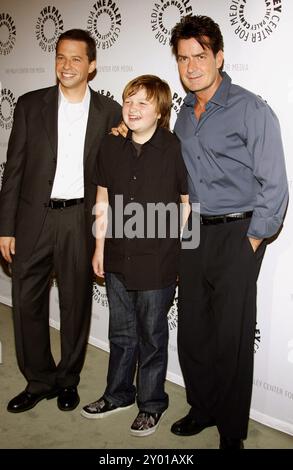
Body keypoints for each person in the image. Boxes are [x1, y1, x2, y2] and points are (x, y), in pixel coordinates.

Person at [169, 15, 289, 449]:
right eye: (183, 58)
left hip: (238, 233)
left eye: (200, 56)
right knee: (193, 330)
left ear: (219, 57)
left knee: (231, 337)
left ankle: (232, 430)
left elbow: (274, 184)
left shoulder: (250, 108)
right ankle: (201, 408)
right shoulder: (182, 113)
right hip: (193, 233)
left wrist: (253, 240)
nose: (191, 66)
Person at [0, 29, 121, 413]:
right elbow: (13, 171)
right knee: (27, 303)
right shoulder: (29, 105)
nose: (66, 65)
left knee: (75, 305)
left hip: (78, 220)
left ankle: (68, 379)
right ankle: (39, 380)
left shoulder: (110, 112)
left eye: (76, 59)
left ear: (92, 65)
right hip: (33, 219)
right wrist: (6, 226)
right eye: (61, 57)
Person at [81, 75, 189, 436]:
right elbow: (102, 199)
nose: (133, 108)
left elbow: (188, 205)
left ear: (160, 111)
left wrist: (179, 255)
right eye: (129, 100)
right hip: (117, 258)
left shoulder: (175, 149)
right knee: (121, 333)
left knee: (153, 338)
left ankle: (152, 403)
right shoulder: (110, 147)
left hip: (157, 263)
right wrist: (99, 247)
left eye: (143, 102)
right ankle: (118, 394)